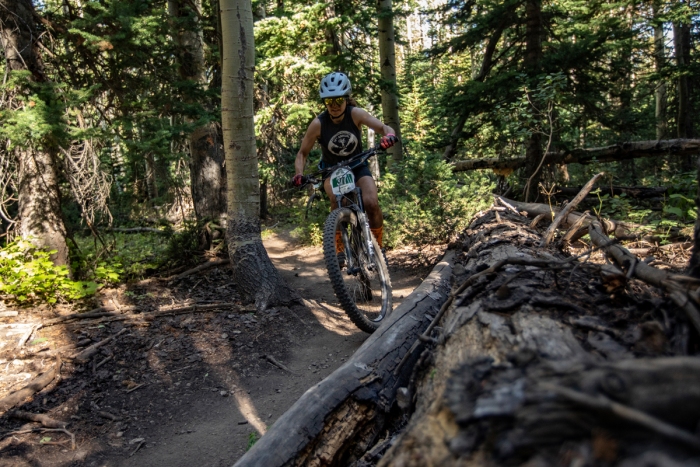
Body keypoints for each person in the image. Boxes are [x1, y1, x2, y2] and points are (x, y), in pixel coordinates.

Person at [292, 72, 398, 262]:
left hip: (357, 165)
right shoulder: (318, 124)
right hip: (332, 171)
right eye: (328, 101)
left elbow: (384, 128)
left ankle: (379, 248)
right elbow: (302, 153)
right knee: (336, 199)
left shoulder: (355, 114)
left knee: (372, 202)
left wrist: (388, 136)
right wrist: (299, 173)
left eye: (338, 100)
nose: (333, 106)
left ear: (347, 99)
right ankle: (340, 248)